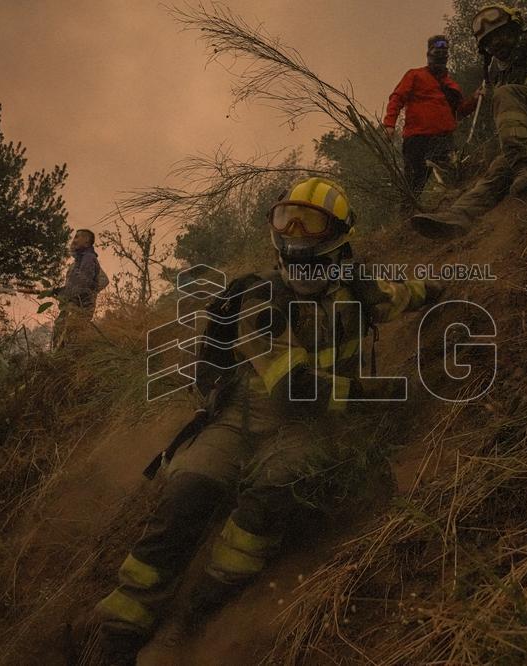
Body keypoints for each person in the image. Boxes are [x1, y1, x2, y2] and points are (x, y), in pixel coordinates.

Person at [87, 177, 442, 664]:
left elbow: (398, 296)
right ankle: (116, 637)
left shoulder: (360, 288)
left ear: (337, 233)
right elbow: (295, 388)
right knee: (188, 489)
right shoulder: (257, 299)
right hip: (246, 417)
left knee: (273, 490)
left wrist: (437, 288)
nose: (294, 231)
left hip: (309, 429)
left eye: (309, 221)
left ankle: (196, 614)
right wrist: (382, 393)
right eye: (285, 218)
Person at [410, 4, 527, 237]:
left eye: (500, 35)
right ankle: (458, 216)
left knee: (506, 98)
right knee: (497, 169)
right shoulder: (503, 75)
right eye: (489, 43)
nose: (496, 45)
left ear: (514, 29)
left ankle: (526, 164)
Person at [383, 35, 479, 202]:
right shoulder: (415, 75)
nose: (441, 55)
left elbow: (459, 112)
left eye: (444, 52)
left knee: (453, 178)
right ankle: (408, 216)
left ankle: (453, 209)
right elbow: (397, 97)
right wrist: (389, 123)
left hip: (443, 139)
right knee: (414, 182)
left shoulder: (452, 86)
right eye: (437, 51)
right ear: (429, 54)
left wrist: (475, 99)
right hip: (417, 139)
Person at [49, 228, 103, 350]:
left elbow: (82, 285)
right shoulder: (79, 261)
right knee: (60, 332)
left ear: (87, 241)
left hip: (80, 307)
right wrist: (57, 291)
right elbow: (74, 286)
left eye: (77, 237)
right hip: (72, 306)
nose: (74, 240)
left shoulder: (88, 259)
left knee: (72, 340)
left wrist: (63, 293)